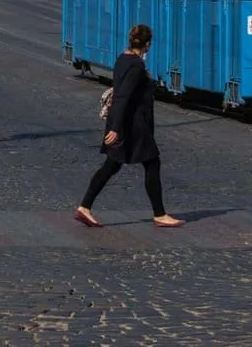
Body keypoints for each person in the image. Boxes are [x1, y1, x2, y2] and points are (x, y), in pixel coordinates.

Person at [75, 24, 182, 229]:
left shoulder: (122, 59)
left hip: (125, 123)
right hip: (133, 126)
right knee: (152, 163)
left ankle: (85, 207)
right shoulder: (135, 66)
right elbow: (122, 96)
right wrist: (115, 128)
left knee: (112, 165)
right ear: (147, 44)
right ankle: (160, 214)